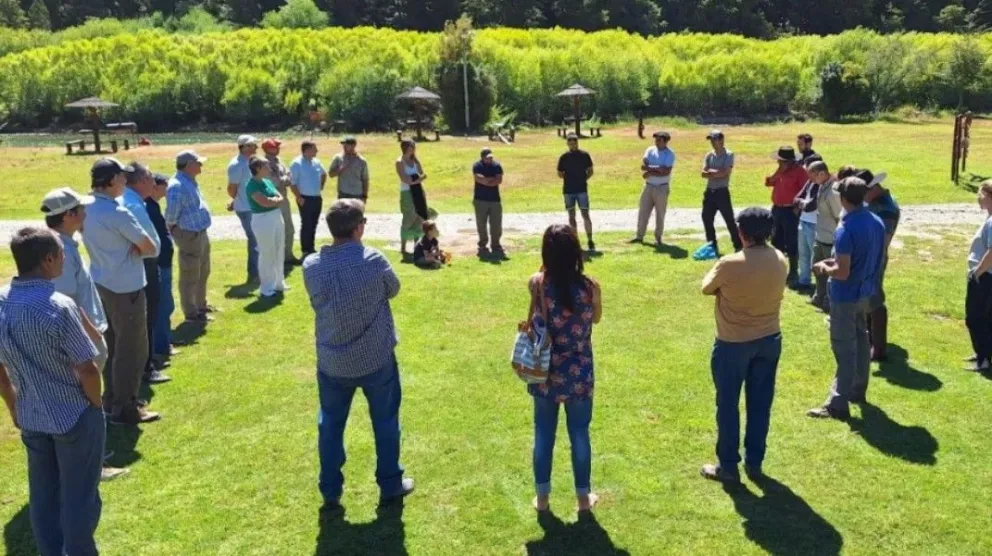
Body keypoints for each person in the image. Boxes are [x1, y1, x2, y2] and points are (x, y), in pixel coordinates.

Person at [302, 199, 414, 510]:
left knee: (330, 425)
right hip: (375, 358)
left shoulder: (312, 266)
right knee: (386, 422)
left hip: (333, 361)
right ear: (358, 228)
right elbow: (393, 289)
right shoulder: (373, 260)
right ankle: (390, 484)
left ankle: (330, 488)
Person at [0, 227, 105, 556]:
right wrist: (95, 404)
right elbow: (87, 368)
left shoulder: (1, 301)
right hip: (74, 414)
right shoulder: (58, 306)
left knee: (43, 495)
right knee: (79, 496)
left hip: (31, 414)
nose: (64, 259)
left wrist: (13, 405)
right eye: (61, 254)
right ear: (47, 260)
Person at [41, 190, 130, 482]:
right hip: (81, 338)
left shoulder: (62, 243)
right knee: (85, 403)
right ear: (68, 215)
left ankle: (90, 458)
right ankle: (91, 465)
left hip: (82, 335)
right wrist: (95, 337)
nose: (85, 213)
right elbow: (66, 300)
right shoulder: (60, 250)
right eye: (80, 209)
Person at [699, 207, 788, 483]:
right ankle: (754, 461)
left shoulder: (730, 264)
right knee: (760, 404)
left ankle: (728, 466)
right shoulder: (780, 259)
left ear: (741, 232)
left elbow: (706, 287)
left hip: (733, 343)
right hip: (769, 338)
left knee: (727, 405)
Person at [528, 224, 602, 512]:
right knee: (580, 433)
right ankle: (583, 499)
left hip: (544, 370)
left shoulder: (537, 284)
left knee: (543, 433)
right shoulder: (590, 287)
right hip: (580, 371)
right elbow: (596, 319)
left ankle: (543, 498)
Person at [82, 158, 161, 425]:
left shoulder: (85, 206)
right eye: (122, 177)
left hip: (101, 282)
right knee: (132, 349)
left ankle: (111, 401)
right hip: (126, 287)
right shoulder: (118, 212)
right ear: (113, 180)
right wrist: (136, 248)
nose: (126, 182)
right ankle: (125, 408)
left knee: (113, 347)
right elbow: (151, 247)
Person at [808, 177, 885, 420]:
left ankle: (837, 404)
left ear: (843, 199)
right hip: (866, 294)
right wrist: (833, 262)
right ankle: (856, 390)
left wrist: (824, 268)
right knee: (861, 341)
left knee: (844, 348)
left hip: (845, 296)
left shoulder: (846, 228)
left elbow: (842, 272)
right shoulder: (876, 221)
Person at [123, 163, 170, 385]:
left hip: (141, 264)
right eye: (151, 179)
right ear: (142, 181)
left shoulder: (131, 201)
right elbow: (146, 244)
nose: (154, 183)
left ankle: (146, 362)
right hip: (144, 265)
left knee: (147, 316)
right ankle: (146, 367)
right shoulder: (133, 204)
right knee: (147, 316)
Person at [166, 150, 213, 324]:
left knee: (203, 270)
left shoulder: (189, 181)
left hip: (200, 232)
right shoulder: (177, 185)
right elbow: (171, 214)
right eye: (198, 163)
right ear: (188, 165)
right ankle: (191, 312)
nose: (201, 165)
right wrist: (176, 230)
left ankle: (201, 304)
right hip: (188, 235)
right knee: (190, 274)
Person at [861, 169, 900, 362]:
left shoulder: (886, 208)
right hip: (869, 257)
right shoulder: (877, 203)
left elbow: (883, 240)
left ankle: (878, 349)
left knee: (875, 301)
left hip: (874, 258)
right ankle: (870, 338)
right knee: (868, 299)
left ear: (873, 188)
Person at [246, 156, 288, 299]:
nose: (269, 169)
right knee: (267, 252)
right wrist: (274, 200)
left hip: (276, 216)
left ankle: (279, 283)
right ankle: (266, 287)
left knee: (279, 248)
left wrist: (274, 200)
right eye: (266, 167)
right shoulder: (251, 185)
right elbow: (264, 202)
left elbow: (279, 197)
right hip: (262, 220)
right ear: (258, 169)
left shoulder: (267, 181)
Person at [765, 146, 808, 284]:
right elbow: (769, 182)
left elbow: (806, 191)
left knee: (791, 241)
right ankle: (778, 269)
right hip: (777, 209)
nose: (778, 162)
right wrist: (777, 173)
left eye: (780, 160)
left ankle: (793, 271)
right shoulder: (780, 170)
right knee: (776, 240)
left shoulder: (800, 172)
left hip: (791, 211)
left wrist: (797, 207)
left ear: (789, 161)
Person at [147, 174, 176, 369]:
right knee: (162, 306)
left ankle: (165, 343)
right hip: (159, 264)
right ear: (155, 187)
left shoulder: (154, 206)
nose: (167, 190)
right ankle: (161, 346)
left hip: (164, 261)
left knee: (167, 304)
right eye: (164, 186)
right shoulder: (148, 207)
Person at [964, 181, 992, 372]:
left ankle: (983, 359)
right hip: (985, 275)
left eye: (980, 195)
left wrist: (978, 271)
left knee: (975, 318)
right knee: (985, 317)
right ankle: (983, 353)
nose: (978, 198)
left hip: (984, 277)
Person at [701, 130, 742, 255]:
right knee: (706, 218)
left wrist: (712, 173)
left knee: (729, 220)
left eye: (715, 140)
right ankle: (711, 246)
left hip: (722, 192)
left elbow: (725, 173)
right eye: (711, 140)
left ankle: (738, 245)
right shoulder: (709, 155)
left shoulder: (729, 154)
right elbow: (703, 173)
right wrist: (716, 173)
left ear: (721, 140)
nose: (712, 143)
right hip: (709, 192)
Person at [808, 161, 841, 313]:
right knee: (816, 269)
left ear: (821, 173)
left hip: (830, 239)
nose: (811, 180)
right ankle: (818, 297)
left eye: (813, 176)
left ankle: (828, 303)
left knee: (828, 273)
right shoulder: (822, 187)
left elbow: (838, 217)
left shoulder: (833, 192)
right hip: (820, 236)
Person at [227, 135, 260, 284]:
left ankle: (259, 271)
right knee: (254, 240)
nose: (255, 147)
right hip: (246, 208)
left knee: (258, 239)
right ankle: (254, 273)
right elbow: (232, 188)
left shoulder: (252, 161)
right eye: (252, 145)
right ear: (243, 147)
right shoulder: (236, 165)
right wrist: (236, 200)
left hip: (254, 206)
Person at [262, 138, 300, 266]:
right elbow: (272, 182)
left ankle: (287, 256)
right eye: (275, 147)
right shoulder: (263, 163)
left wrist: (284, 179)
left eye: (277, 146)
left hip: (283, 199)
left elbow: (289, 175)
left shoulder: (279, 161)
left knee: (289, 229)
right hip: (271, 200)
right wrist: (284, 179)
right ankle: (274, 259)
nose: (278, 149)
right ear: (267, 149)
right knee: (274, 230)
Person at [633, 131, 674, 246]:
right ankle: (639, 236)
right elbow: (644, 166)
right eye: (656, 139)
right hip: (648, 186)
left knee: (660, 214)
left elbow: (666, 171)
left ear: (665, 141)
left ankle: (658, 238)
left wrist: (650, 172)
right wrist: (657, 169)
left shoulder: (670, 154)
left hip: (662, 187)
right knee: (643, 212)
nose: (656, 142)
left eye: (659, 140)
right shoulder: (650, 150)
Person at [290, 140, 328, 259]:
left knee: (314, 223)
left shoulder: (316, 162)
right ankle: (306, 250)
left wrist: (321, 186)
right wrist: (298, 196)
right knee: (306, 224)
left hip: (317, 197)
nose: (317, 151)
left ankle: (311, 248)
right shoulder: (297, 163)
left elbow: (324, 174)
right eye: (314, 149)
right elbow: (293, 183)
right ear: (306, 150)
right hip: (304, 198)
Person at [557, 134, 596, 252]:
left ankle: (590, 240)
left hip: (581, 190)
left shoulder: (584, 155)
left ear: (577, 143)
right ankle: (575, 241)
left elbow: (590, 171)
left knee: (585, 214)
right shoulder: (564, 157)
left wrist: (583, 179)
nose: (572, 145)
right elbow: (559, 173)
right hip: (568, 190)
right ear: (567, 144)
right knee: (571, 216)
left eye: (574, 143)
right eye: (570, 143)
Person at [794, 154, 824, 291]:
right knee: (803, 254)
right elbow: (796, 198)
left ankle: (820, 286)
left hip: (814, 224)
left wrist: (801, 203)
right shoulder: (810, 181)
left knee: (815, 256)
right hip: (803, 221)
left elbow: (811, 206)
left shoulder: (821, 185)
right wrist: (802, 203)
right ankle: (804, 281)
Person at [396, 139, 429, 257]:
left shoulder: (415, 160)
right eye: (411, 146)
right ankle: (403, 247)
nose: (413, 149)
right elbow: (405, 179)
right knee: (408, 217)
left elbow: (423, 173)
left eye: (414, 146)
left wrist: (417, 179)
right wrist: (417, 179)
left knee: (419, 217)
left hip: (419, 191)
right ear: (405, 148)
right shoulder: (400, 162)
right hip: (407, 192)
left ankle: (417, 245)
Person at [473, 148, 505, 258]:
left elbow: (499, 180)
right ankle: (482, 244)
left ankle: (496, 244)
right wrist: (491, 180)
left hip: (495, 200)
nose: (490, 159)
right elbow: (479, 179)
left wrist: (487, 181)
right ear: (482, 157)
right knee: (481, 224)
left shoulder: (497, 166)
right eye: (487, 158)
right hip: (480, 200)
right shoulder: (477, 166)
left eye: (491, 157)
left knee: (496, 224)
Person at [329, 136, 370, 202]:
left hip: (357, 194)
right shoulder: (338, 158)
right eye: (343, 145)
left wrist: (365, 196)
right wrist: (340, 169)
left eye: (347, 145)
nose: (344, 147)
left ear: (354, 146)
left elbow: (365, 180)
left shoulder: (361, 161)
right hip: (343, 193)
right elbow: (331, 174)